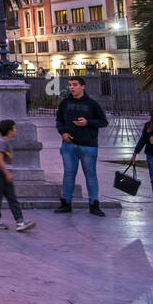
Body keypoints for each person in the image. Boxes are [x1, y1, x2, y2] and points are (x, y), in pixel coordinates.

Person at [54, 76, 108, 216]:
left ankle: (94, 204)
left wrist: (87, 122)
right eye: (70, 85)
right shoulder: (65, 103)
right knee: (68, 175)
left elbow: (103, 121)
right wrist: (63, 133)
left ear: (83, 87)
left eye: (75, 85)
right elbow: (59, 120)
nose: (72, 87)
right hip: (69, 146)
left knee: (90, 176)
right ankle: (66, 203)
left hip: (88, 146)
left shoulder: (92, 104)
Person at [0, 120, 34, 232]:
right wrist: (8, 173)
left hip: (3, 173)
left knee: (12, 197)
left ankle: (20, 221)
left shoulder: (7, 143)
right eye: (14, 128)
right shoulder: (2, 143)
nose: (16, 130)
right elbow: (0, 160)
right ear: (9, 131)